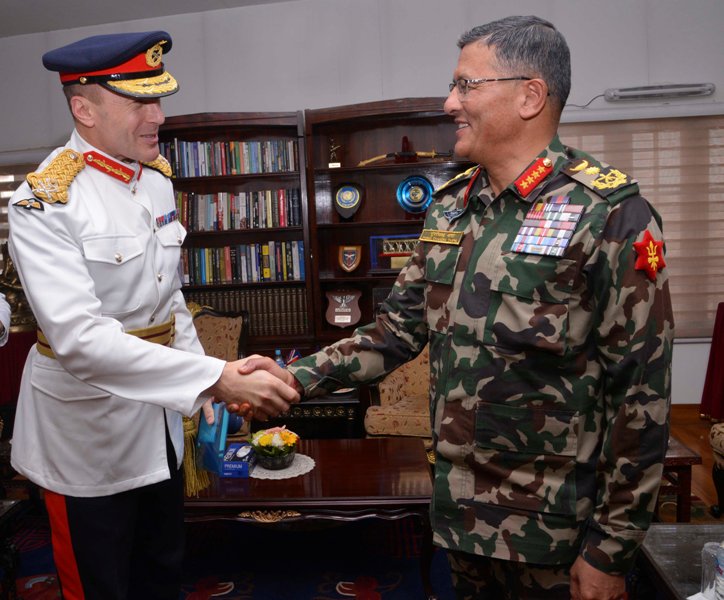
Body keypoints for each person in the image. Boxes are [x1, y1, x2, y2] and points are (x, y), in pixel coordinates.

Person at [245, 15, 674, 600]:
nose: (450, 102)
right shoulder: (450, 207)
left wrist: (611, 549)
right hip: (461, 516)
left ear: (530, 96)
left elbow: (640, 397)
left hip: (557, 531)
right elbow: (393, 333)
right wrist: (290, 378)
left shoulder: (609, 214)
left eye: (466, 85)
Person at [8, 31, 299, 600]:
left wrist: (207, 385)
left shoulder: (156, 180)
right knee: (101, 586)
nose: (158, 116)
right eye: (138, 103)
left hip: (159, 426)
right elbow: (80, 340)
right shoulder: (43, 202)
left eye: (159, 99)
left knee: (162, 572)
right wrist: (215, 378)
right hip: (86, 439)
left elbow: (170, 304)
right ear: (84, 109)